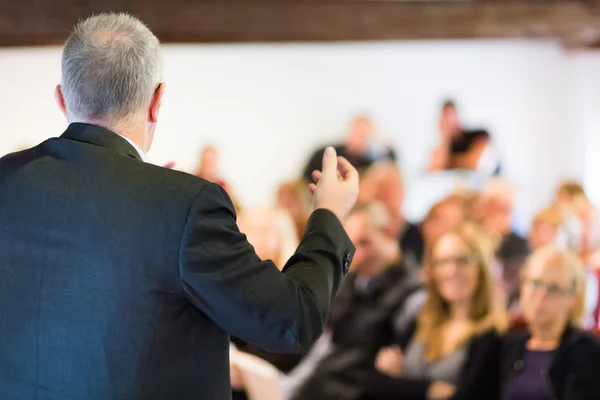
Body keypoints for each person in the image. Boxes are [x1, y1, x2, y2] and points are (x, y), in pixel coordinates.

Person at [0, 13, 359, 400]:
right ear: (157, 101)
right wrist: (329, 216)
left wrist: (160, 202)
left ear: (61, 98)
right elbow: (290, 320)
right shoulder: (187, 206)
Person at [287, 202, 425, 400]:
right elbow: (322, 351)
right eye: (350, 249)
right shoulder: (349, 283)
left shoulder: (413, 295)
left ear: (388, 232)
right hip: (321, 388)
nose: (358, 257)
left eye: (365, 243)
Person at [361, 223, 508, 400]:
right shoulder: (422, 319)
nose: (451, 271)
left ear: (481, 267)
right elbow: (372, 383)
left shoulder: (493, 334)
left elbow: (466, 396)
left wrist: (401, 382)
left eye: (462, 260)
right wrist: (428, 391)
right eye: (442, 262)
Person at [499, 247, 600, 399]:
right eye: (535, 283)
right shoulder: (508, 343)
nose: (541, 295)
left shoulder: (585, 350)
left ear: (573, 299)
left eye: (553, 288)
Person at [302, 115, 396, 181]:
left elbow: (391, 170)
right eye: (357, 132)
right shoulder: (326, 153)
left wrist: (387, 145)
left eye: (364, 135)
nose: (360, 139)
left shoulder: (369, 163)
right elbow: (305, 180)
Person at [428, 100, 499, 173]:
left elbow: (473, 164)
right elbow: (434, 168)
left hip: (495, 181)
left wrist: (449, 162)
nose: (449, 121)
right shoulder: (446, 145)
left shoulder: (479, 135)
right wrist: (445, 137)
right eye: (445, 118)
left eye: (450, 116)